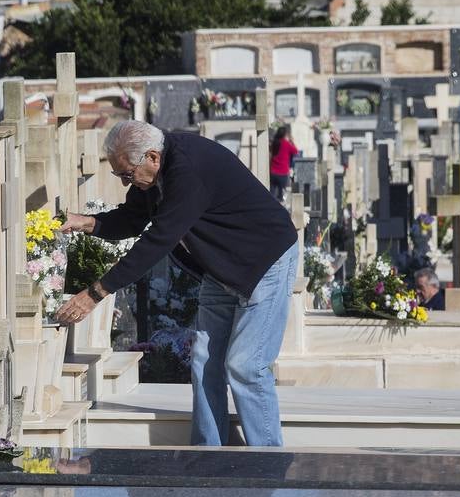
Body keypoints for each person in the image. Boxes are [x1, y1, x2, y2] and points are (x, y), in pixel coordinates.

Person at [55, 121, 298, 448]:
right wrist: (86, 222)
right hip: (223, 268)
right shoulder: (154, 172)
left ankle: (268, 460)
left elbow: (158, 240)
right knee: (204, 361)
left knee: (246, 366)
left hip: (264, 262)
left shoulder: (188, 171)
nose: (126, 182)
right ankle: (208, 452)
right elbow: (132, 219)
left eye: (127, 174)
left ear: (152, 157)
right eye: (119, 175)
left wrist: (95, 293)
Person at [269, 126, 297, 203]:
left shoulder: (274, 143)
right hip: (283, 173)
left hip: (273, 172)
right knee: (281, 195)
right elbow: (295, 151)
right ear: (285, 134)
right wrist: (292, 141)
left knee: (272, 193)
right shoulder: (286, 143)